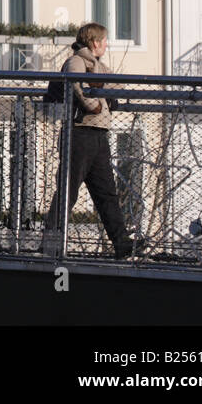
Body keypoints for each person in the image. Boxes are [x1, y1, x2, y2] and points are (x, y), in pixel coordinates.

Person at [43, 22, 139, 259]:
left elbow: (117, 84)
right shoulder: (77, 61)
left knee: (106, 192)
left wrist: (102, 86)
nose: (106, 45)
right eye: (104, 41)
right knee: (68, 190)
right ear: (95, 42)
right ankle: (50, 243)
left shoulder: (97, 65)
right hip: (79, 133)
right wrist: (93, 104)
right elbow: (76, 83)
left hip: (98, 135)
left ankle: (122, 243)